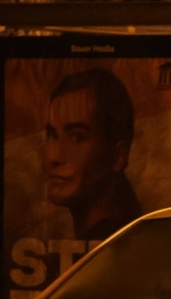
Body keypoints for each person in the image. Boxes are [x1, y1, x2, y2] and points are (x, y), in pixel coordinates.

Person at [43, 68, 143, 242]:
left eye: (76, 137)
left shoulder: (122, 244)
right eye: (52, 135)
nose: (53, 157)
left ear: (118, 156)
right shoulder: (125, 235)